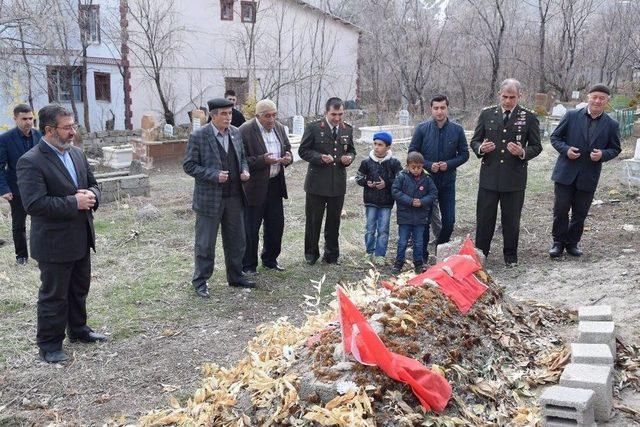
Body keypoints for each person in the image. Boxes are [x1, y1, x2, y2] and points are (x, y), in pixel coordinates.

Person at [16, 105, 105, 364]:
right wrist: (72, 203)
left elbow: (93, 185)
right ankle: (49, 345)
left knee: (79, 288)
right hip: (54, 242)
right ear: (49, 130)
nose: (73, 132)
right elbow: (33, 204)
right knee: (54, 295)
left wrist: (93, 196)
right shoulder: (31, 161)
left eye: (73, 126)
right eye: (67, 128)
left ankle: (78, 330)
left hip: (80, 237)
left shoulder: (77, 154)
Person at [183, 98, 254, 298]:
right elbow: (189, 165)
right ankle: (201, 281)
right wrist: (213, 175)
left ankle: (235, 275)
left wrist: (245, 171)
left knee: (237, 240)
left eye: (230, 113)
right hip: (209, 199)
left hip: (234, 197)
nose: (228, 117)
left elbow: (242, 159)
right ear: (212, 115)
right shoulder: (199, 136)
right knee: (205, 243)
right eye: (223, 114)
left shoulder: (235, 133)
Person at [470, 78, 542, 267]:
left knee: (511, 220)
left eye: (512, 97)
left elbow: (537, 146)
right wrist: (481, 148)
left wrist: (523, 152)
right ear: (499, 95)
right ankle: (480, 255)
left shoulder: (529, 117)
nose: (508, 101)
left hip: (514, 179)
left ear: (519, 96)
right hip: (489, 178)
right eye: (505, 96)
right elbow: (475, 141)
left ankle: (510, 256)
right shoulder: (487, 114)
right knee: (485, 219)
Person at [549, 84, 621, 258]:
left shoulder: (611, 124)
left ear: (607, 101)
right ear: (588, 97)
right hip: (565, 173)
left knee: (580, 212)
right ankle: (558, 243)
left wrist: (602, 154)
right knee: (561, 210)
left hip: (589, 175)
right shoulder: (572, 116)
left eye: (601, 98)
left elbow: (615, 148)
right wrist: (566, 150)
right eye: (594, 97)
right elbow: (555, 137)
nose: (597, 101)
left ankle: (572, 243)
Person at [409, 94, 469, 260]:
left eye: (442, 108)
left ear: (447, 108)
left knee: (449, 220)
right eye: (436, 108)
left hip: (448, 181)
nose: (439, 111)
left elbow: (464, 155)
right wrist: (428, 165)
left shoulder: (457, 129)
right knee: (425, 220)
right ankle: (423, 255)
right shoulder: (422, 128)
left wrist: (448, 164)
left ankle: (441, 247)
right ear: (431, 109)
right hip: (426, 181)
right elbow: (412, 153)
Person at [299, 97, 356, 265]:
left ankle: (331, 255)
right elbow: (303, 151)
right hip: (317, 184)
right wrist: (319, 157)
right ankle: (311, 254)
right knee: (313, 222)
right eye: (333, 114)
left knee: (334, 222)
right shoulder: (314, 128)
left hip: (337, 184)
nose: (337, 118)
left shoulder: (347, 129)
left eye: (340, 114)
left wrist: (349, 158)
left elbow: (352, 150)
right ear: (326, 113)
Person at [239, 99, 293, 274]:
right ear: (257, 116)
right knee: (251, 228)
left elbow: (288, 148)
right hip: (254, 188)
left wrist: (288, 157)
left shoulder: (278, 127)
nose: (271, 119)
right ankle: (248, 265)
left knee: (276, 225)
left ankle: (270, 259)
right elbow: (240, 160)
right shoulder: (245, 130)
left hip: (275, 184)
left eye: (274, 115)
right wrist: (263, 160)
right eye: (267, 116)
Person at [0, 104, 42, 265]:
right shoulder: (5, 139)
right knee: (19, 224)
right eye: (24, 119)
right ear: (15, 119)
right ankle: (21, 257)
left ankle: (41, 254)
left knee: (41, 222)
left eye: (31, 118)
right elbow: (0, 166)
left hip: (38, 187)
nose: (28, 122)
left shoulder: (39, 136)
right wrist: (4, 188)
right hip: (16, 189)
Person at [355, 131, 402, 265]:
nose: (376, 147)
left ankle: (380, 254)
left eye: (380, 145)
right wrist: (366, 183)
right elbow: (358, 177)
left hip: (387, 202)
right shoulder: (366, 162)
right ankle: (369, 252)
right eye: (375, 144)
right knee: (370, 228)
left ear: (387, 147)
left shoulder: (394, 163)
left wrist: (386, 183)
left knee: (383, 229)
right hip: (370, 201)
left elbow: (400, 179)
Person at [391, 152, 438, 275]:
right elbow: (395, 192)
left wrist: (422, 202)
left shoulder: (427, 178)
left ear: (422, 166)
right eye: (413, 167)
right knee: (402, 241)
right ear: (407, 166)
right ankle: (398, 263)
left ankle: (418, 263)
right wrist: (410, 201)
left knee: (419, 241)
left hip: (421, 216)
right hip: (405, 216)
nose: (416, 170)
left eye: (419, 167)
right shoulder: (401, 177)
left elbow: (433, 194)